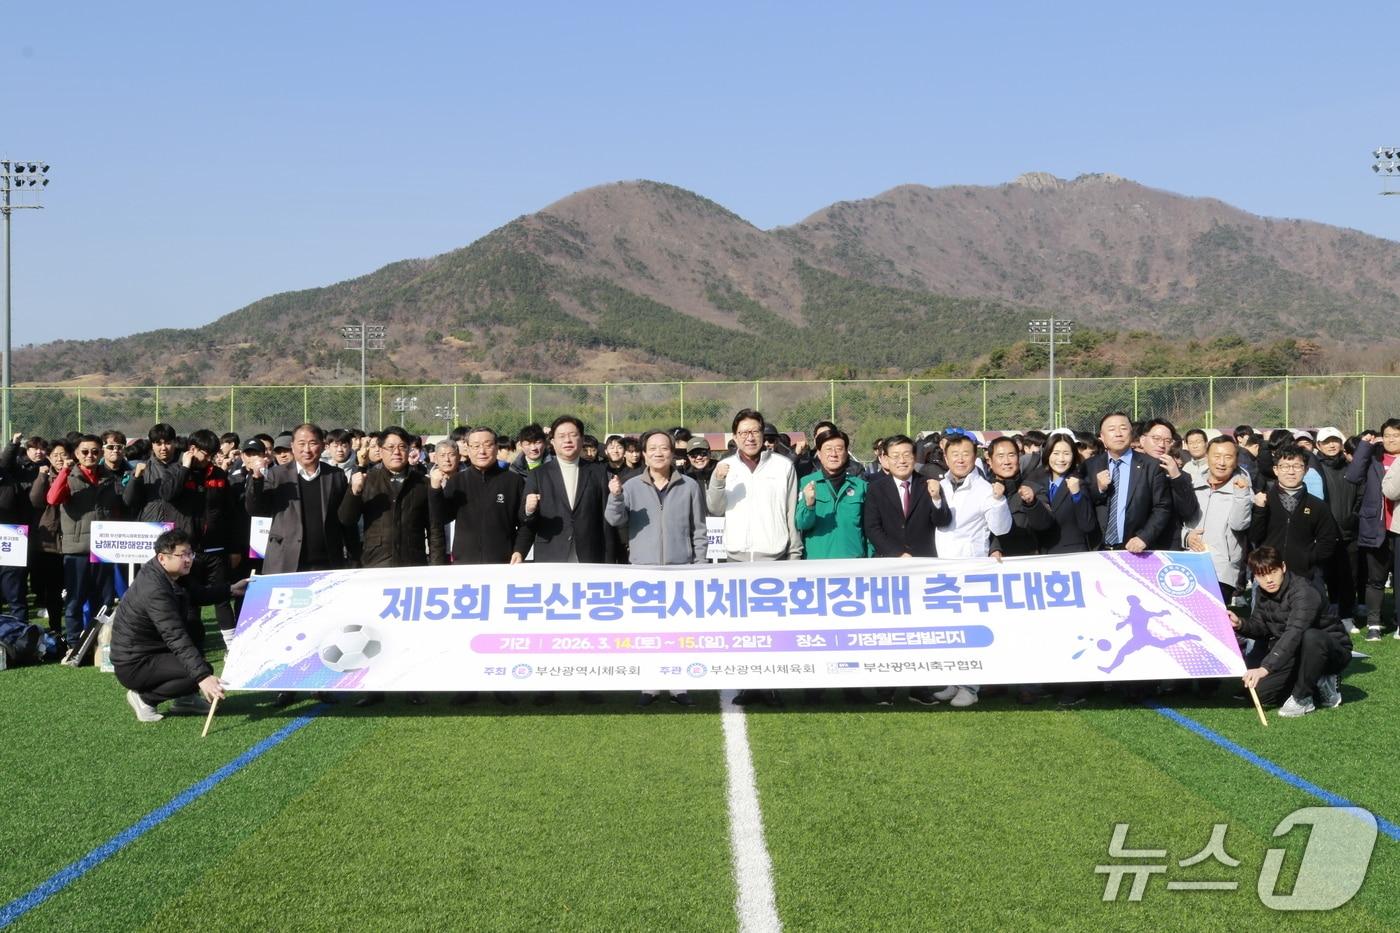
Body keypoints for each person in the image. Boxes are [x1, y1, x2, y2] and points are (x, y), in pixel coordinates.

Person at [245, 422, 356, 707]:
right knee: (288, 627)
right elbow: (256, 508)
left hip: (324, 564)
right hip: (287, 565)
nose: (307, 449)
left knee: (323, 627)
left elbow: (344, 521)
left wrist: (353, 559)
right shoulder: (276, 475)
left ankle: (320, 683)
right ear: (292, 447)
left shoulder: (334, 476)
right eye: (301, 443)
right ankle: (287, 685)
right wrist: (255, 479)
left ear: (323, 446)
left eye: (313, 443)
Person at [430, 425, 533, 706]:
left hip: (502, 566)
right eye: (475, 446)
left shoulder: (513, 482)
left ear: (497, 447)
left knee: (500, 629)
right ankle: (468, 684)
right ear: (467, 449)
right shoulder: (458, 481)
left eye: (487, 444)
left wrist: (520, 550)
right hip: (466, 567)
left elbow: (525, 523)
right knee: (467, 630)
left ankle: (501, 684)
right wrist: (435, 490)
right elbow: (440, 517)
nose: (482, 450)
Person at [605, 428, 706, 708]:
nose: (658, 453)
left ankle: (678, 686)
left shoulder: (689, 486)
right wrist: (615, 496)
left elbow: (699, 529)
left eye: (664, 448)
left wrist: (699, 564)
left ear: (673, 453)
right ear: (644, 454)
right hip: (644, 571)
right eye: (652, 448)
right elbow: (614, 520)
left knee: (678, 631)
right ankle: (649, 685)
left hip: (681, 568)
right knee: (647, 631)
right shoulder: (631, 486)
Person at [707, 408, 801, 706]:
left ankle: (771, 686)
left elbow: (791, 512)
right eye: (743, 432)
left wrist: (794, 554)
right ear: (734, 437)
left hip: (773, 556)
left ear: (764, 435)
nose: (750, 437)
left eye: (755, 431)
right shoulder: (724, 466)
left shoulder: (783, 466)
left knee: (771, 629)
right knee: (743, 629)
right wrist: (718, 481)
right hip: (736, 558)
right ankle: (748, 683)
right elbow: (714, 508)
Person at [521, 415, 614, 704]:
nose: (568, 440)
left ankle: (587, 682)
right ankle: (547, 684)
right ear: (552, 442)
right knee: (551, 624)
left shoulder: (597, 472)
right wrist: (529, 510)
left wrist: (609, 560)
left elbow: (606, 520)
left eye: (573, 435)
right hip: (552, 556)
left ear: (582, 439)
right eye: (562, 436)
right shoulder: (539, 474)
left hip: (589, 557)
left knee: (587, 623)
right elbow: (526, 520)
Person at [112, 529, 249, 723]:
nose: (188, 560)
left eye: (190, 554)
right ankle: (145, 699)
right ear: (162, 558)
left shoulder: (172, 574)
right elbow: (175, 636)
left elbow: (199, 594)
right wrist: (202, 677)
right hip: (134, 662)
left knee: (194, 630)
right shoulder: (154, 589)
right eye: (182, 555)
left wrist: (231, 590)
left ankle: (186, 698)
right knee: (198, 671)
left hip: (153, 649)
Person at [862, 433, 950, 706]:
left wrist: (937, 499)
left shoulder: (928, 484)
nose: (902, 460)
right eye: (895, 456)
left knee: (920, 630)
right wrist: (897, 554)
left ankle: (919, 687)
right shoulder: (876, 488)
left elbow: (943, 521)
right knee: (888, 630)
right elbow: (872, 528)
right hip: (889, 567)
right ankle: (885, 690)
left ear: (915, 457)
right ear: (885, 460)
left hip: (923, 568)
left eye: (906, 455)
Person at [931, 432, 1011, 709]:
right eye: (955, 454)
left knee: (970, 629)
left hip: (971, 566)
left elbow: (1001, 528)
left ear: (974, 456)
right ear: (945, 457)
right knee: (948, 629)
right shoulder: (940, 485)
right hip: (942, 568)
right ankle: (953, 680)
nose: (960, 459)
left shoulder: (985, 488)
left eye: (966, 454)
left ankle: (971, 686)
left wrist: (999, 500)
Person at [1231, 546, 1350, 717]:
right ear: (1255, 577)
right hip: (1296, 652)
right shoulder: (1261, 592)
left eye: (1273, 572)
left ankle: (1303, 697)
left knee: (1311, 636)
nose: (1269, 580)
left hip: (1331, 651)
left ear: (1283, 567)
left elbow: (1295, 632)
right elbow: (1261, 627)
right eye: (1262, 575)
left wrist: (1265, 668)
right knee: (1259, 694)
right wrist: (1240, 624)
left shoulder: (1304, 591)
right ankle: (1316, 682)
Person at [47, 434, 124, 650]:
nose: (90, 455)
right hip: (77, 548)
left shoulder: (109, 478)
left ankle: (100, 642)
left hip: (104, 548)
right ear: (76, 454)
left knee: (104, 600)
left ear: (101, 453)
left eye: (95, 451)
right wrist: (64, 472)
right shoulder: (68, 476)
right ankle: (74, 644)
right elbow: (52, 499)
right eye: (85, 451)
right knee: (75, 600)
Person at [1248, 445, 1339, 599]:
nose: (1291, 472)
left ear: (1306, 470)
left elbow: (1328, 540)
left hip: (1304, 577)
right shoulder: (1263, 501)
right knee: (1264, 614)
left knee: (1304, 613)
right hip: (1267, 575)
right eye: (1285, 466)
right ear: (1276, 470)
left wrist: (1308, 558)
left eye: (1297, 466)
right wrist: (1259, 510)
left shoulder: (1317, 505)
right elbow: (1254, 536)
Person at [1086, 412, 1172, 553]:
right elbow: (1083, 504)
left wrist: (1144, 537)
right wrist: (1099, 489)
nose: (1118, 434)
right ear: (1102, 436)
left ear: (1131, 433)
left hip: (1135, 549)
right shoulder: (1090, 465)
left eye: (1123, 428)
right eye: (1112, 429)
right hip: (1097, 549)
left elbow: (1162, 507)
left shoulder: (1151, 466)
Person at [1346, 418, 1400, 641]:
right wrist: (1364, 447)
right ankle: (1374, 624)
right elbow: (1353, 476)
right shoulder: (1374, 457)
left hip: (1398, 527)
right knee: (1375, 579)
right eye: (1387, 435)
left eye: (1396, 435)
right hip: (1375, 526)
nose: (1391, 439)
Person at [1184, 436, 1254, 603]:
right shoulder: (1193, 485)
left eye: (1228, 457)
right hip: (1188, 563)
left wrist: (1241, 495)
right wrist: (1186, 537)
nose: (1221, 463)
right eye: (1216, 456)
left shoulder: (1243, 489)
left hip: (1221, 570)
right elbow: (1178, 522)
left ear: (1236, 461)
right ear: (1207, 457)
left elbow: (1239, 524)